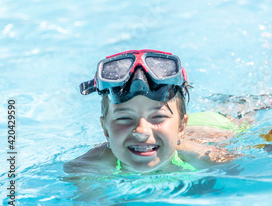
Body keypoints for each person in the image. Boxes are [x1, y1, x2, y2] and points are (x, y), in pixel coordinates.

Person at [65, 49, 241, 175]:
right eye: (125, 118)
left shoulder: (209, 158)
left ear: (181, 127)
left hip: (214, 123)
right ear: (105, 130)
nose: (141, 131)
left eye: (158, 116)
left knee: (242, 112)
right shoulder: (85, 168)